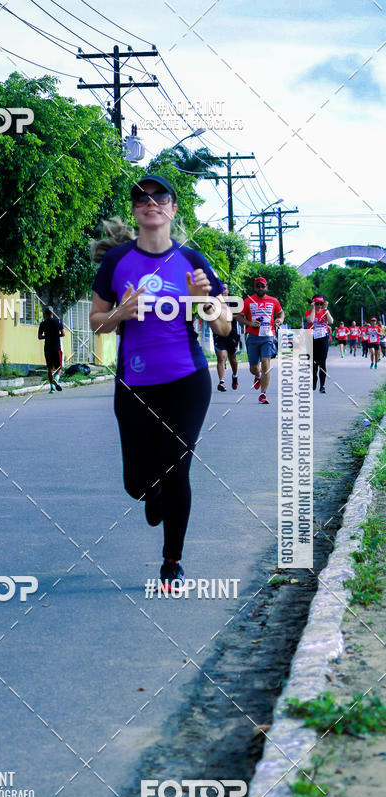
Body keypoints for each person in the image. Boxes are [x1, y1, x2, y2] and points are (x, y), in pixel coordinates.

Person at [89, 173, 230, 587]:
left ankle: (172, 562)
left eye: (160, 197)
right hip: (134, 382)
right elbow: (97, 324)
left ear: (172, 209)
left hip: (187, 379)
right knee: (136, 483)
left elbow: (223, 327)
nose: (151, 203)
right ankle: (151, 493)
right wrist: (121, 314)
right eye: (142, 198)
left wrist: (204, 300)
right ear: (135, 211)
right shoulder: (117, 262)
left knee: (176, 469)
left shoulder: (192, 260)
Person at [235, 276, 284, 405]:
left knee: (265, 363)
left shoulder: (273, 301)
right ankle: (257, 376)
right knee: (253, 368)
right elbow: (239, 317)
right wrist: (250, 322)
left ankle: (263, 394)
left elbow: (281, 313)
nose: (261, 288)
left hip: (268, 336)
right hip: (252, 336)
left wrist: (280, 320)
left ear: (266, 287)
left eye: (263, 286)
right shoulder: (248, 301)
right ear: (255, 288)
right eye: (258, 286)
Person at [213, 283, 240, 391]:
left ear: (228, 291)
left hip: (231, 333)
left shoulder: (234, 302)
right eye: (220, 289)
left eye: (224, 289)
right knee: (221, 357)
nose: (223, 291)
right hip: (218, 333)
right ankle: (222, 382)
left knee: (232, 358)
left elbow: (239, 316)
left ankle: (234, 376)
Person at [305, 295, 333, 392]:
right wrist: (313, 308)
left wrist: (325, 309)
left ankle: (322, 385)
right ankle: (314, 381)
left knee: (322, 362)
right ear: (313, 304)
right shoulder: (309, 312)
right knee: (314, 363)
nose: (319, 306)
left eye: (321, 304)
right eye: (317, 304)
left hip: (323, 339)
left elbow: (331, 321)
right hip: (312, 338)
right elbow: (311, 320)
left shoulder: (325, 312)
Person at [38, 307, 64, 393]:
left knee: (50, 368)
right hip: (57, 347)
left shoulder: (43, 323)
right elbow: (63, 333)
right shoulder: (58, 321)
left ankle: (52, 388)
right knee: (59, 367)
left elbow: (40, 337)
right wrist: (56, 335)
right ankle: (56, 379)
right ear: (53, 313)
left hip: (47, 348)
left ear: (45, 314)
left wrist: (47, 336)